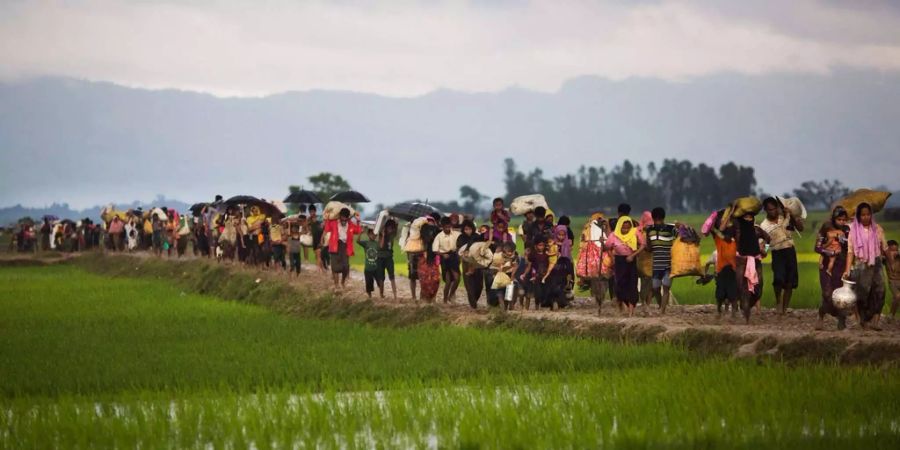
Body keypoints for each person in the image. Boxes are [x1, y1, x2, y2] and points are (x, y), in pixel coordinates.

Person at [843, 203, 888, 330]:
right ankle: (862, 320)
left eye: (868, 214)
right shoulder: (853, 231)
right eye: (863, 215)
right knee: (862, 294)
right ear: (858, 216)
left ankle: (875, 321)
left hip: (876, 263)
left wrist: (890, 260)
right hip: (860, 264)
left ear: (871, 215)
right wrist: (847, 269)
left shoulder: (878, 229)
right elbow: (850, 251)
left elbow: (884, 248)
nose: (866, 217)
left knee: (879, 291)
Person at [760, 197, 804, 315]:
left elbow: (801, 228)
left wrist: (791, 215)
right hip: (777, 252)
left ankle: (784, 309)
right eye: (770, 210)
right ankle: (778, 302)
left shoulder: (785, 217)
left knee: (790, 282)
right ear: (765, 210)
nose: (773, 212)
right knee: (778, 279)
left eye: (774, 209)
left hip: (789, 251)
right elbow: (766, 242)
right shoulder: (764, 226)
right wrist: (765, 250)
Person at [815, 207, 851, 330]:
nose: (841, 222)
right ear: (834, 219)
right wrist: (827, 252)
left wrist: (844, 241)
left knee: (841, 295)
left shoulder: (847, 230)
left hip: (841, 265)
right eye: (839, 219)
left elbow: (851, 247)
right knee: (827, 294)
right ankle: (821, 314)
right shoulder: (825, 228)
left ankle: (842, 321)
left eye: (844, 220)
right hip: (826, 266)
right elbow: (817, 247)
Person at [604, 215, 645, 316]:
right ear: (619, 226)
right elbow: (607, 247)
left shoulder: (635, 232)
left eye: (628, 227)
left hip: (631, 261)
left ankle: (631, 310)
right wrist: (612, 257)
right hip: (619, 261)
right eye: (624, 227)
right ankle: (622, 304)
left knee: (632, 284)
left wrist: (633, 255)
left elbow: (643, 244)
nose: (626, 230)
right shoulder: (614, 235)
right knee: (620, 285)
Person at [734, 211, 770, 324]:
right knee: (741, 287)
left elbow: (768, 238)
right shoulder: (736, 230)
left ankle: (748, 306)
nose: (748, 219)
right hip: (741, 261)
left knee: (758, 289)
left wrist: (765, 249)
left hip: (755, 261)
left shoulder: (757, 230)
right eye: (746, 217)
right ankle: (746, 315)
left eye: (750, 217)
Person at [644, 207, 677, 314]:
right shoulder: (649, 230)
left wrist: (682, 227)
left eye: (660, 220)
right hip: (656, 264)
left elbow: (682, 237)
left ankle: (662, 311)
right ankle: (660, 306)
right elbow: (649, 247)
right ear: (653, 219)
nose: (657, 222)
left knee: (666, 287)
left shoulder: (671, 228)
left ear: (663, 219)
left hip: (669, 264)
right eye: (656, 220)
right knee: (655, 288)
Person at [322, 208, 362, 292]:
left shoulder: (350, 225)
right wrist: (327, 218)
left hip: (345, 247)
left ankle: (342, 282)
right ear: (340, 216)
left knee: (345, 267)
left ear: (347, 218)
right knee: (335, 267)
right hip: (335, 245)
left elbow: (358, 230)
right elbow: (327, 228)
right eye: (342, 217)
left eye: (345, 218)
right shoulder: (333, 223)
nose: (343, 219)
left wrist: (358, 221)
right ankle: (336, 286)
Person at [433, 217, 461, 303]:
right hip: (444, 258)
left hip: (454, 257)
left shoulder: (456, 234)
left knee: (457, 278)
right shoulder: (439, 236)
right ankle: (445, 300)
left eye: (449, 227)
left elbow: (461, 241)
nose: (447, 229)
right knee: (448, 281)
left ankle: (451, 295)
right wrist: (442, 255)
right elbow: (435, 250)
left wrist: (458, 250)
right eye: (446, 227)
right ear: (442, 227)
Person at [458, 220, 485, 308]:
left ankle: (474, 300)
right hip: (466, 262)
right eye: (466, 229)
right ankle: (473, 304)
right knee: (469, 284)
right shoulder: (461, 238)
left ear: (472, 229)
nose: (468, 231)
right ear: (463, 229)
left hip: (477, 262)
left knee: (479, 284)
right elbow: (461, 250)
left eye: (469, 229)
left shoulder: (477, 236)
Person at [490, 241, 518, 310]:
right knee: (500, 293)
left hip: (509, 276)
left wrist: (512, 276)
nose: (510, 253)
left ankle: (509, 305)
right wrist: (495, 274)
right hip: (499, 276)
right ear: (504, 249)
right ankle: (503, 309)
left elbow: (515, 266)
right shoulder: (497, 256)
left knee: (509, 293)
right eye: (508, 251)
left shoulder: (514, 257)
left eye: (512, 251)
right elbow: (493, 267)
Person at [418, 219, 441, 302]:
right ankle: (423, 299)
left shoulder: (437, 235)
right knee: (424, 280)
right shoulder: (420, 237)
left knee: (435, 280)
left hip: (434, 260)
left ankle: (432, 298)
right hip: (423, 260)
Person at [358, 228, 384, 299]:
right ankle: (370, 297)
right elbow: (358, 241)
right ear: (368, 235)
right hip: (368, 268)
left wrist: (383, 235)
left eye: (375, 234)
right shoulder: (366, 243)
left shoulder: (376, 244)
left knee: (380, 281)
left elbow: (381, 246)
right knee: (369, 284)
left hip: (376, 267)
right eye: (371, 234)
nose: (373, 236)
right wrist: (360, 233)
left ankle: (381, 295)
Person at [379, 219, 398, 300]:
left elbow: (396, 227)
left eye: (392, 228)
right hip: (380, 258)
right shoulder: (381, 234)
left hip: (389, 257)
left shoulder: (392, 234)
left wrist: (395, 219)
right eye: (389, 228)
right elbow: (381, 246)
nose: (390, 230)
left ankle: (395, 295)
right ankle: (381, 294)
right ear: (386, 228)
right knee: (381, 277)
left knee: (392, 276)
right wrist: (383, 235)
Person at [886, 240, 900, 320]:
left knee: (897, 298)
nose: (894, 252)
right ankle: (891, 314)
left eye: (896, 250)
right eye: (892, 251)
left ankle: (892, 314)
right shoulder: (885, 258)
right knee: (897, 296)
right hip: (892, 281)